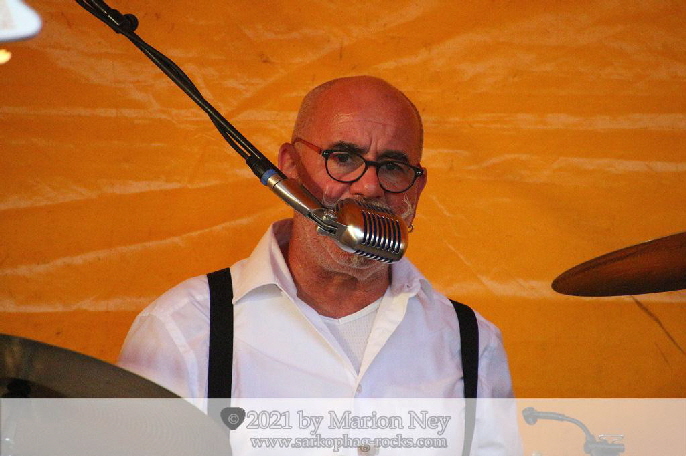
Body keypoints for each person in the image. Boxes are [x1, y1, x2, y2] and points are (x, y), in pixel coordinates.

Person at [118, 76, 516, 453]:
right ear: (289, 167)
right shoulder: (182, 330)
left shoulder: (473, 345)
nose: (369, 186)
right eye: (343, 158)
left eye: (393, 167)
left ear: (417, 188)